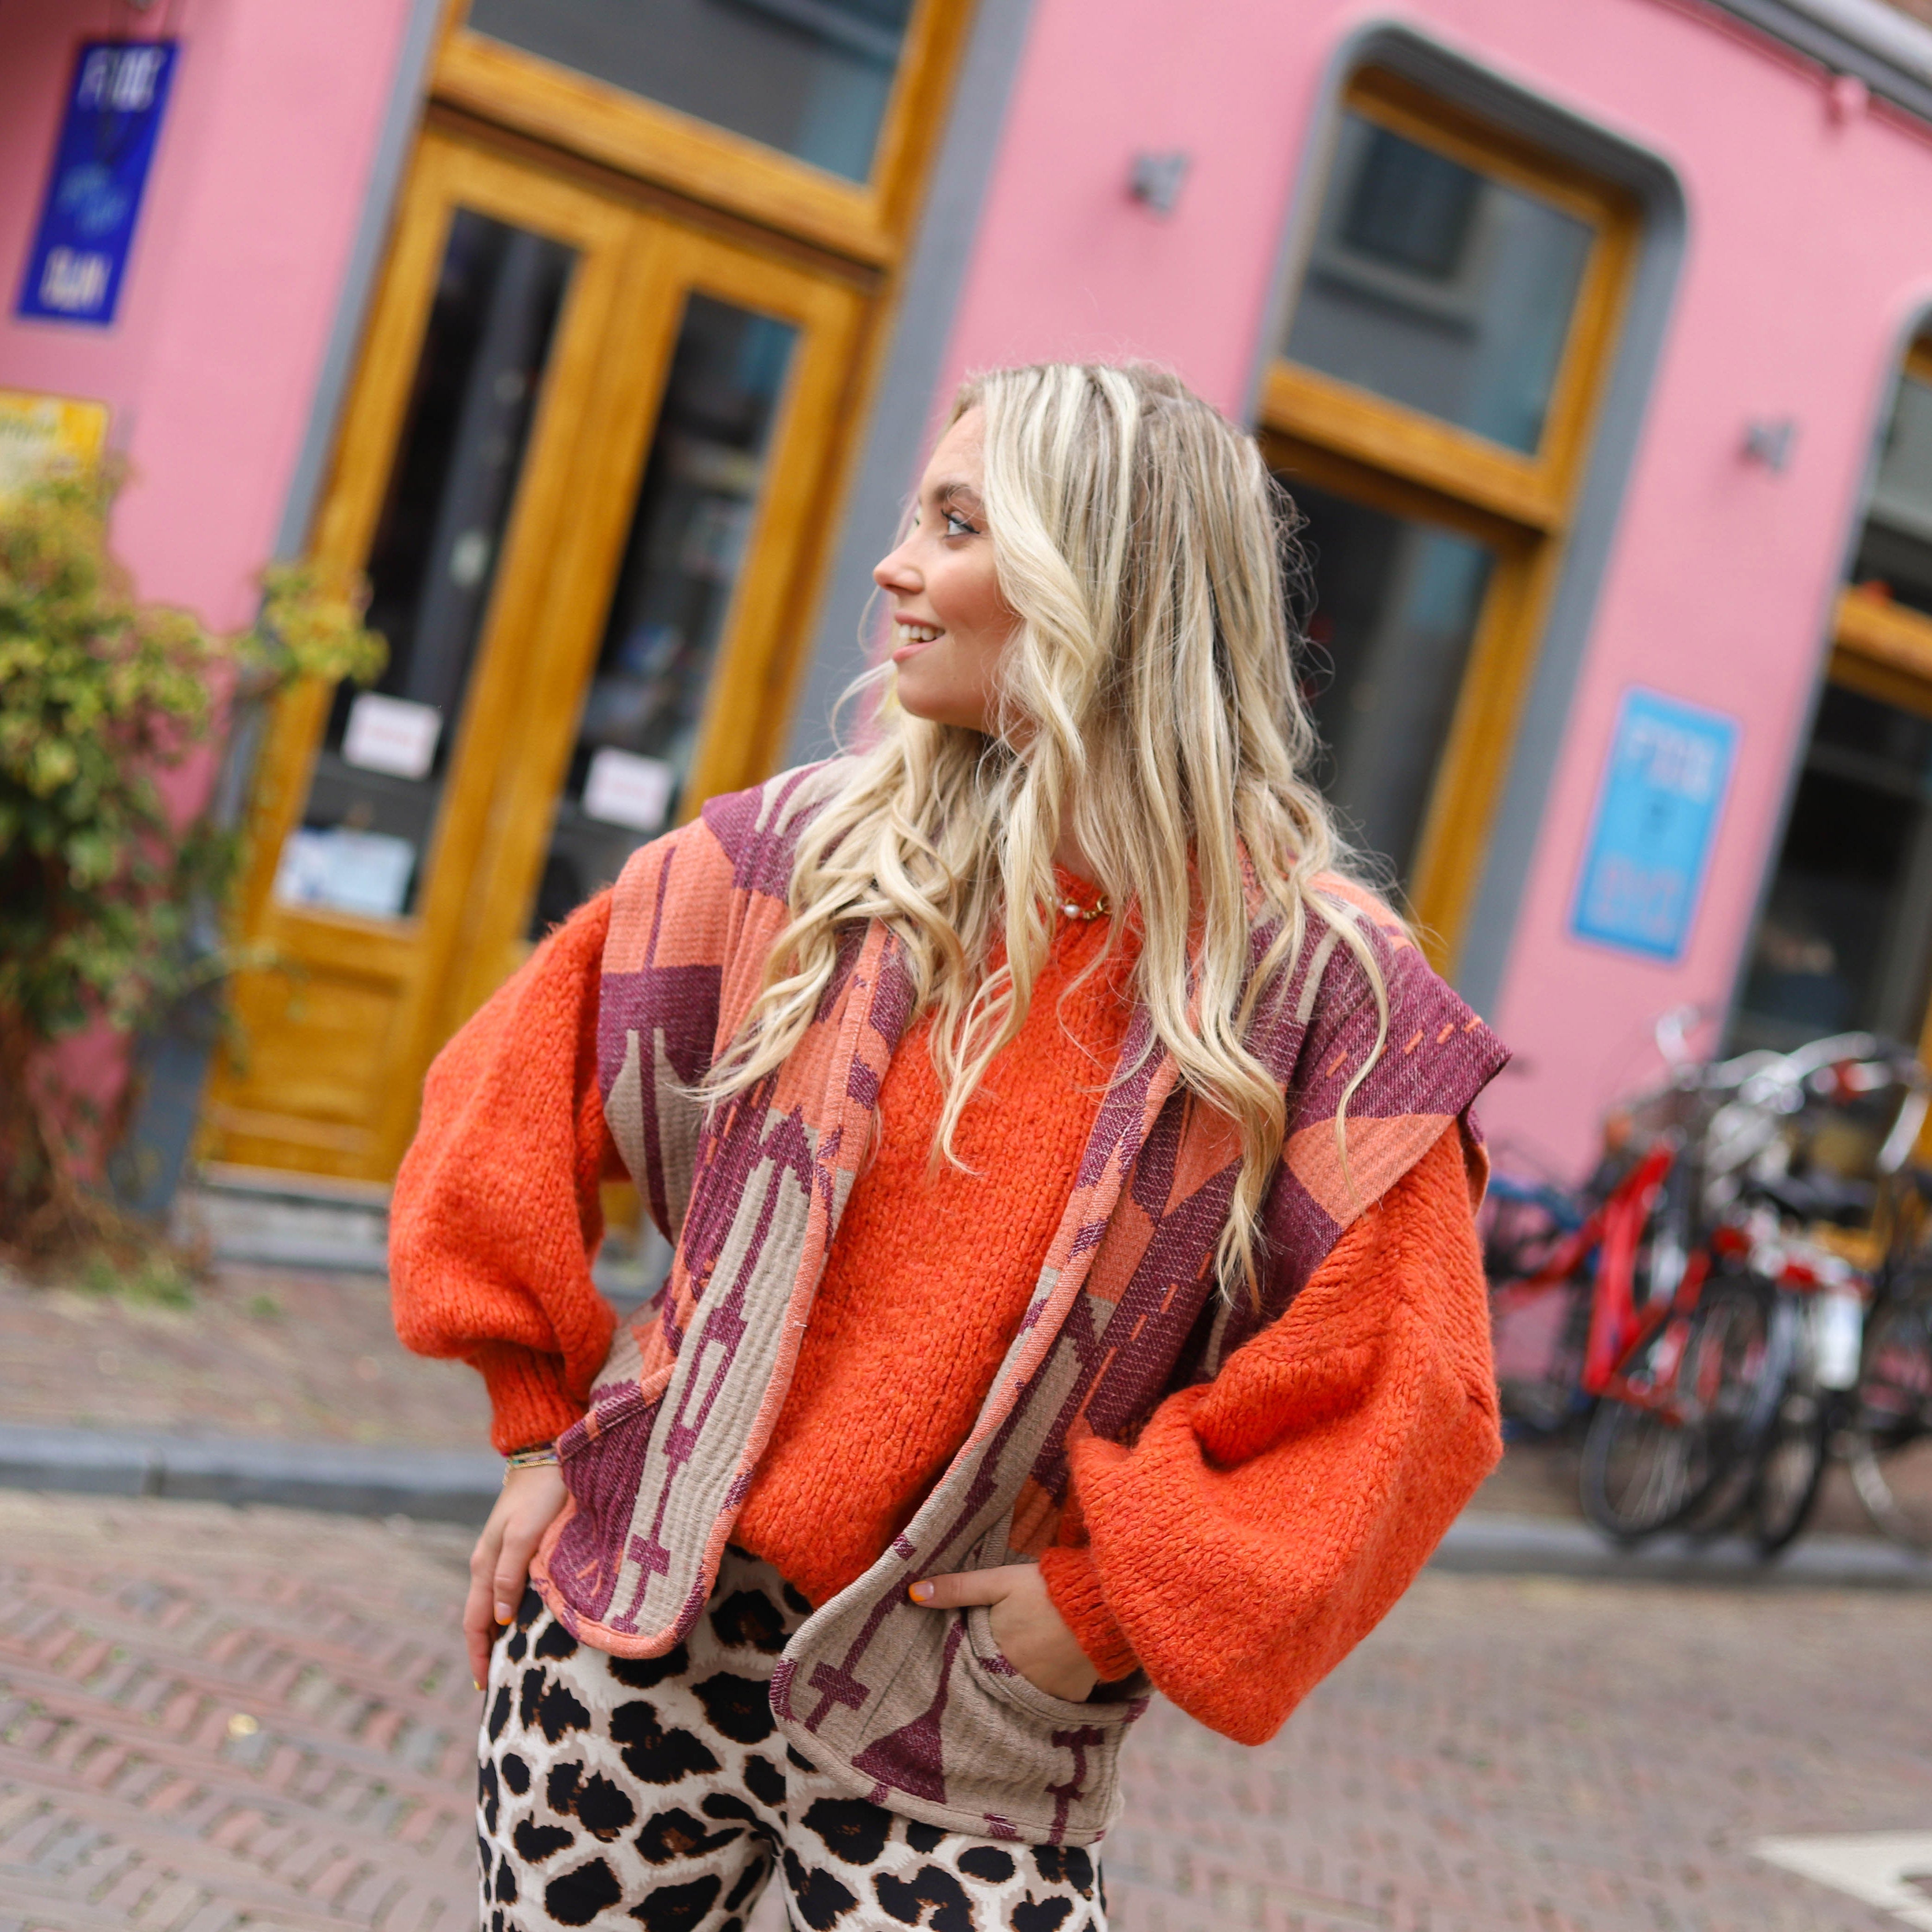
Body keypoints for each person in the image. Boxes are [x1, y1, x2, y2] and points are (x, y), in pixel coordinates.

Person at [391, 361, 1508, 1932]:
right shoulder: (802, 860)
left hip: (963, 1714)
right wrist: (534, 1434)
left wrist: (1104, 1604)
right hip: (638, 1645)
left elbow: (1407, 1390)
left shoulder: (1320, 994)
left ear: (1102, 581)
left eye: (960, 525)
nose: (895, 566)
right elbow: (503, 1102)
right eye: (920, 517)